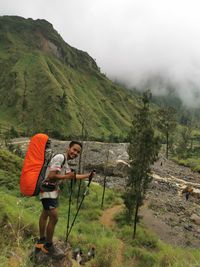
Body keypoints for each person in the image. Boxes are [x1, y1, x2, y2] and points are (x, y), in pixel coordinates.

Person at [35, 141, 95, 259]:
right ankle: (48, 246)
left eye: (78, 152)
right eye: (74, 150)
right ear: (68, 148)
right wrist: (67, 177)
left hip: (50, 191)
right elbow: (52, 176)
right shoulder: (60, 157)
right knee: (54, 217)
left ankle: (41, 240)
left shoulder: (65, 162)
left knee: (45, 215)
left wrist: (88, 176)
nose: (75, 153)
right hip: (48, 190)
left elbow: (73, 176)